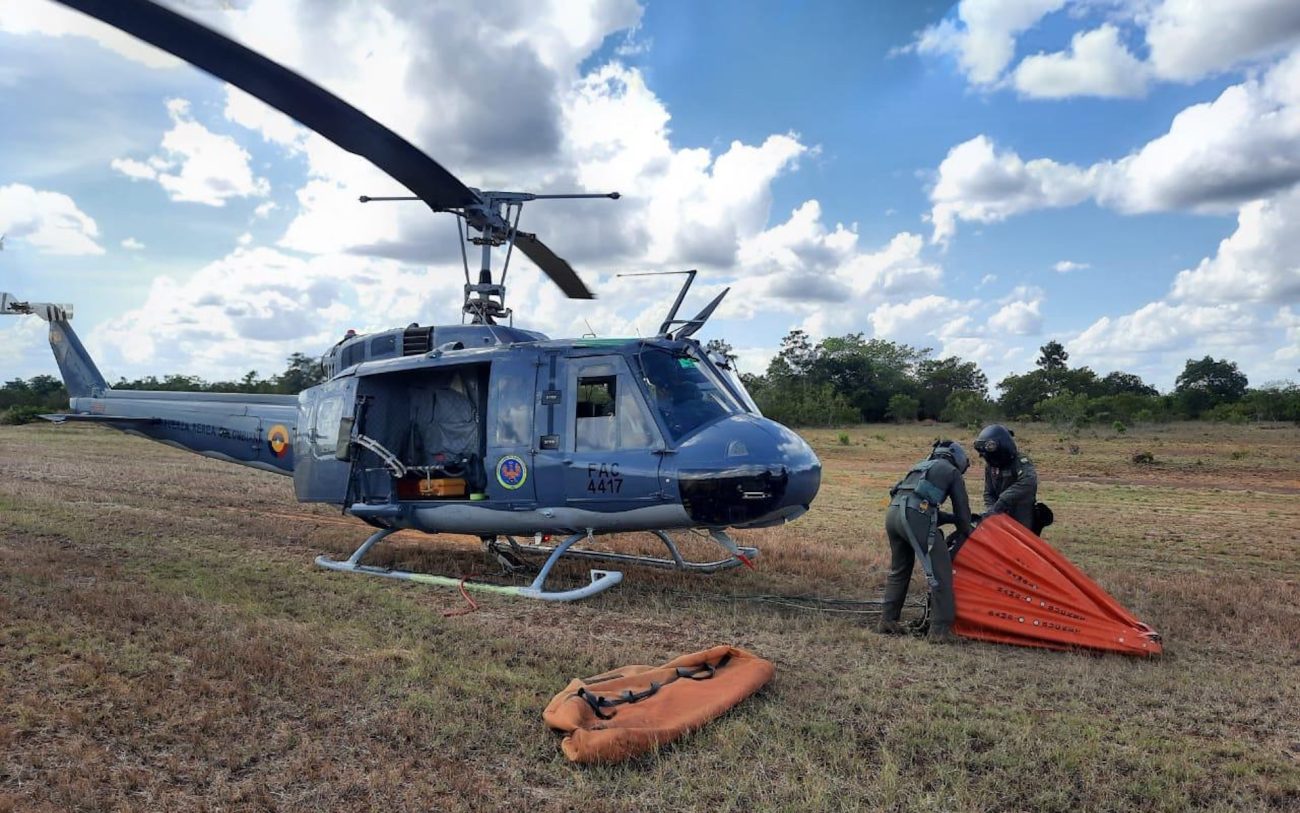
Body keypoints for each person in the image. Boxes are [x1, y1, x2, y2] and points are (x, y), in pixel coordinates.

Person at [879, 440, 974, 642]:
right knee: (941, 572)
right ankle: (940, 631)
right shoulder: (952, 472)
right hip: (914, 516)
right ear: (957, 458)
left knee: (899, 569)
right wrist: (970, 530)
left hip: (893, 514)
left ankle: (888, 620)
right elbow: (963, 516)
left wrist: (949, 518)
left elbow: (919, 505)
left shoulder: (921, 466)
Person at [973, 424, 1038, 531]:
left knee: (1020, 543)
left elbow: (1028, 483)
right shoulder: (991, 465)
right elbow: (988, 492)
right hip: (1001, 514)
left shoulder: (1021, 461)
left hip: (1022, 513)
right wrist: (992, 511)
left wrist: (1003, 501)